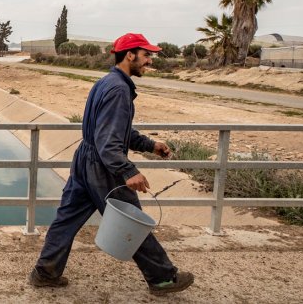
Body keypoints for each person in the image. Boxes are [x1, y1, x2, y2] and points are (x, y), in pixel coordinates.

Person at [28, 33, 194, 296]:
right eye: (146, 55)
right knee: (132, 221)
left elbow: (113, 131)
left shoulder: (107, 82)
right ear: (130, 55)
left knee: (67, 218)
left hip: (85, 159)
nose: (149, 60)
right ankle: (163, 278)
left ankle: (45, 272)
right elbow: (109, 141)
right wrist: (128, 171)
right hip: (103, 166)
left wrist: (150, 145)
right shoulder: (119, 89)